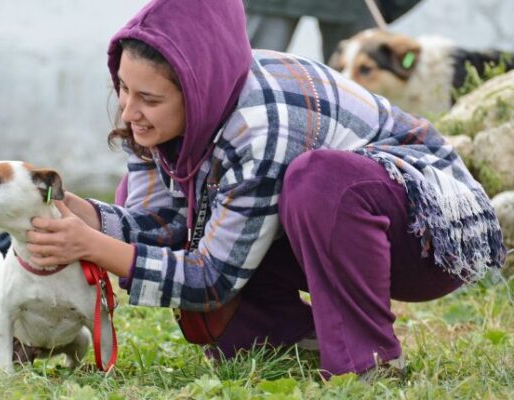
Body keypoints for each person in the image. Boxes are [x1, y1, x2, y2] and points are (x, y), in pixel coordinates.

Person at [25, 0, 506, 378]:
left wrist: (92, 246)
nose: (129, 112)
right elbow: (165, 227)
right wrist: (76, 212)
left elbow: (211, 277)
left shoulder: (260, 123)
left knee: (316, 179)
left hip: (427, 236)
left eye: (149, 98)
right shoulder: (154, 120)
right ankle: (302, 340)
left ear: (197, 89)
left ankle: (369, 363)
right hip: (330, 227)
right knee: (218, 319)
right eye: (123, 89)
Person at [245, 0, 421, 62]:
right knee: (251, 68)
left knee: (362, 77)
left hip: (352, 6)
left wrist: (390, 5)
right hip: (268, 5)